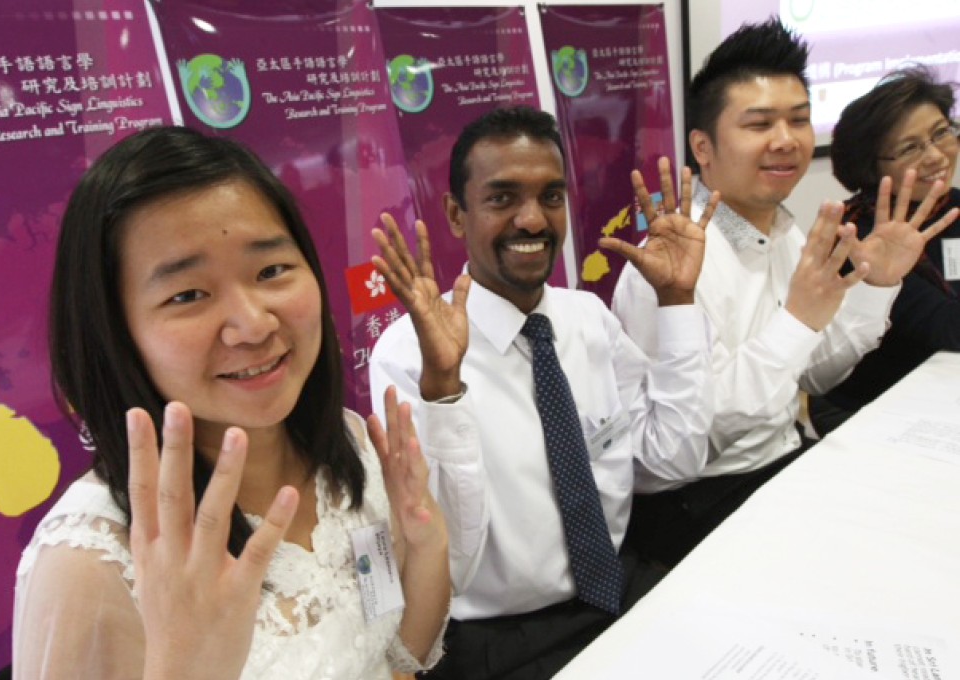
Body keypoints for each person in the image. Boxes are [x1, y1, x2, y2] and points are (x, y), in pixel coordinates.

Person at [12, 126, 450, 679]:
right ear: (116, 333)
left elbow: (396, 660)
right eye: (188, 295)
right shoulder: (89, 562)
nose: (253, 323)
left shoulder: (348, 444)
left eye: (270, 271)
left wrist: (425, 541)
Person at [368, 105, 718, 680]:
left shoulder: (587, 319)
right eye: (502, 199)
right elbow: (448, 560)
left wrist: (678, 302)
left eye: (550, 197)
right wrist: (445, 390)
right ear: (457, 215)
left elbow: (673, 459)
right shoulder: (408, 354)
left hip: (617, 593)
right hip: (497, 642)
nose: (532, 220)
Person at [612, 19, 958, 567]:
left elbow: (815, 375)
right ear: (703, 146)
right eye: (759, 123)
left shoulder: (783, 231)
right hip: (701, 504)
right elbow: (686, 443)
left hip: (785, 464)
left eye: (799, 120)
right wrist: (797, 321)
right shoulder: (668, 266)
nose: (787, 140)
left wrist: (879, 285)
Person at [809, 66, 960, 435]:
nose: (936, 155)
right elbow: (947, 328)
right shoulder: (857, 235)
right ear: (870, 166)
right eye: (910, 147)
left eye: (941, 133)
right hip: (871, 409)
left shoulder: (951, 206)